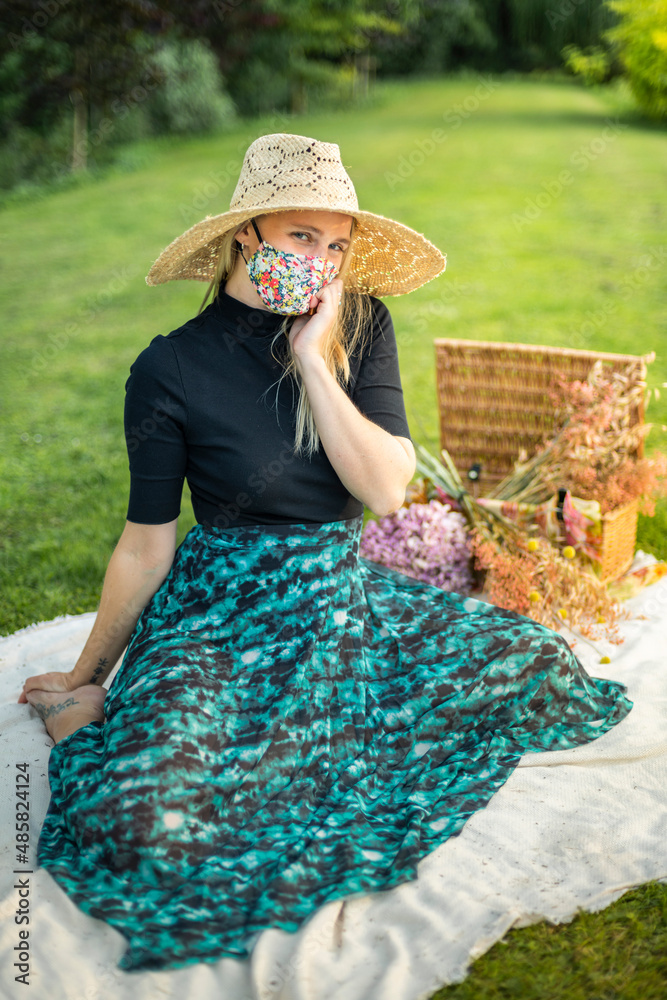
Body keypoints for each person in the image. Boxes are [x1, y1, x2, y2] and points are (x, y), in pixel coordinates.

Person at [18, 132, 632, 974]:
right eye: (301, 236)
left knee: (533, 666)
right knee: (148, 827)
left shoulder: (361, 325)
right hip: (220, 607)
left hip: (339, 597)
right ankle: (82, 726)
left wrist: (313, 359)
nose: (321, 258)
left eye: (336, 244)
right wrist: (91, 672)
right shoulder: (169, 368)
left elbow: (384, 489)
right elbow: (145, 542)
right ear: (248, 233)